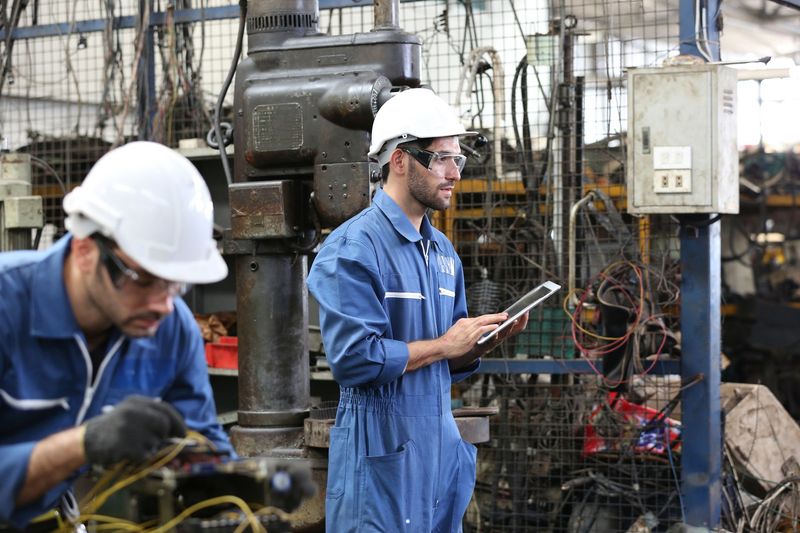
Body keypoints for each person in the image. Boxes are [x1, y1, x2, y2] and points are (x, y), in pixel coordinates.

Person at [307, 88, 529, 532]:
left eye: (458, 160)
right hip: (380, 449)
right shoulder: (353, 250)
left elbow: (450, 357)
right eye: (442, 158)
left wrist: (480, 341)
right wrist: (447, 345)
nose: (453, 174)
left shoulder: (442, 251)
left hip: (436, 447)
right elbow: (354, 360)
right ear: (400, 160)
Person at [0, 141, 234, 530]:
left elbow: (202, 447)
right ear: (85, 248)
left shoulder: (169, 328)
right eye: (144, 279)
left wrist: (254, 488)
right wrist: (82, 445)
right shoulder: (8, 305)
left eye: (176, 284)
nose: (163, 304)